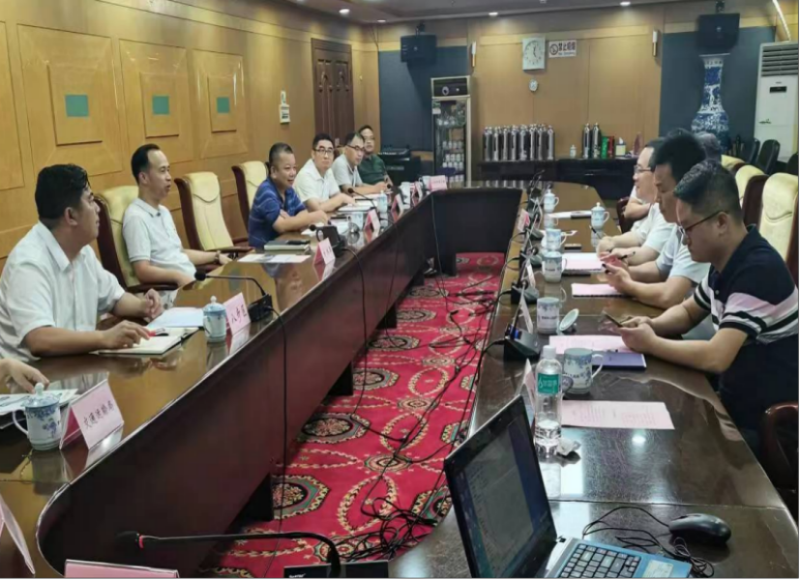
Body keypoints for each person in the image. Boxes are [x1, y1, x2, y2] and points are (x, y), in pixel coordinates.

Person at [620, 161, 798, 446]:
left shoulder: (758, 271)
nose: (684, 240)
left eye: (688, 229)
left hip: (765, 429)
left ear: (721, 223)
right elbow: (688, 311)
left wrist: (651, 344)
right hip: (732, 406)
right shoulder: (726, 260)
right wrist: (652, 324)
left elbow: (716, 357)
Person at [0, 165, 163, 361]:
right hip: (36, 374)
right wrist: (104, 338)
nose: (97, 209)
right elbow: (39, 339)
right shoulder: (28, 263)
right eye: (90, 200)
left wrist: (143, 306)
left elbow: (114, 298)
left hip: (76, 364)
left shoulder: (81, 250)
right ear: (70, 216)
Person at [604, 132, 710, 310]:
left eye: (662, 190)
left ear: (687, 186)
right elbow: (659, 269)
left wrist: (629, 285)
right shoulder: (681, 225)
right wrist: (625, 272)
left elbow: (669, 297)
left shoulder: (701, 230)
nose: (656, 199)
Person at [123, 144, 230, 289]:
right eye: (162, 171)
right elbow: (142, 270)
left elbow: (179, 253)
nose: (169, 177)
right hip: (171, 291)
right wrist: (177, 276)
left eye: (168, 170)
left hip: (191, 283)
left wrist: (215, 256)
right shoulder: (135, 217)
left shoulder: (164, 212)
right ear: (144, 178)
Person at [597, 141, 673, 266]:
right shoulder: (656, 205)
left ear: (658, 173)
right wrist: (612, 241)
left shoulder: (670, 209)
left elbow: (648, 255)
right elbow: (638, 237)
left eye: (639, 170)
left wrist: (617, 255)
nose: (634, 177)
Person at [248, 143, 328, 248]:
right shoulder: (266, 192)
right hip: (263, 252)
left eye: (294, 168)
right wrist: (312, 217)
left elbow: (303, 212)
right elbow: (281, 226)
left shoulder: (288, 189)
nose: (293, 173)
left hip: (284, 246)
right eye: (287, 168)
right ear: (273, 171)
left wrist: (290, 220)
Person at [294, 134, 355, 213]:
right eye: (322, 151)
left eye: (329, 151)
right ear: (313, 154)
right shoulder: (305, 176)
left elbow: (336, 195)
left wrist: (343, 199)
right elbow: (317, 208)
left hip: (325, 217)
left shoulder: (328, 170)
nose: (326, 156)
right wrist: (341, 198)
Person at [331, 132, 385, 197]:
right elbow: (350, 191)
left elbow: (360, 185)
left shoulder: (353, 164)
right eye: (356, 149)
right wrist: (375, 189)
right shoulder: (340, 163)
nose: (360, 154)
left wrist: (380, 188)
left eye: (362, 150)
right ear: (346, 149)